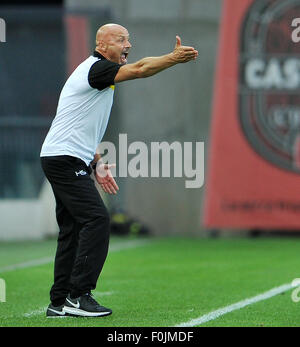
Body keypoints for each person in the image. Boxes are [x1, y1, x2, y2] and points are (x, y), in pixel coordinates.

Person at [40, 23, 198, 318]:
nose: (128, 44)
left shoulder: (96, 73)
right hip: (63, 159)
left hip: (64, 157)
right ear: (102, 44)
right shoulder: (97, 68)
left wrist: (96, 162)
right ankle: (78, 296)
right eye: (121, 39)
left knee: (72, 230)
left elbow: (78, 126)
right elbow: (140, 69)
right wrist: (172, 58)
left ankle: (59, 301)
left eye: (129, 39)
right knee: (97, 219)